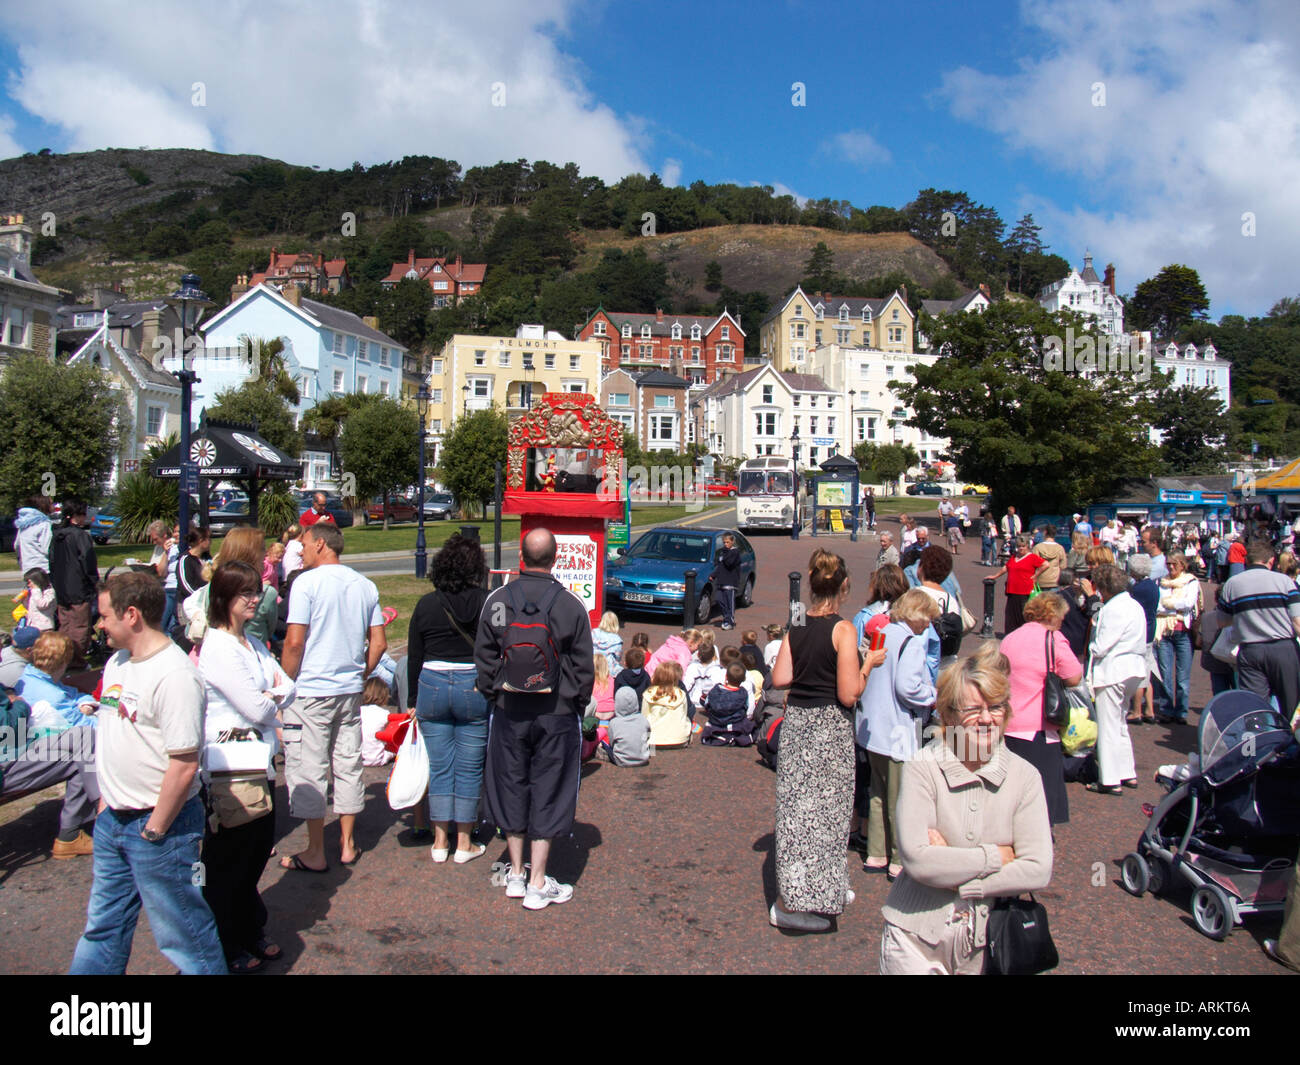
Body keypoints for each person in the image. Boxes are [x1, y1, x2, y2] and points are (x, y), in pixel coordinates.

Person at [69, 571, 226, 974]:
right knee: (102, 928)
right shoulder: (119, 662)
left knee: (185, 935)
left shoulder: (175, 675)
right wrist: (106, 803)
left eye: (105, 615)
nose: (99, 623)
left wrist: (155, 829)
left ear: (132, 615)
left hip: (161, 828)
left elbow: (185, 762)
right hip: (113, 821)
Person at [878, 652, 1053, 974]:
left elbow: (1037, 870)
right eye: (973, 709)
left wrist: (965, 879)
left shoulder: (1025, 777)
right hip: (913, 938)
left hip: (989, 945)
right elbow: (918, 860)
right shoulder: (923, 767)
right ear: (949, 714)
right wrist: (997, 857)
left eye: (996, 706)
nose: (987, 718)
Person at [474, 528, 594, 910]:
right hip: (556, 713)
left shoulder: (499, 600)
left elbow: (485, 655)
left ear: (521, 555)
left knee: (510, 782)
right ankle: (538, 881)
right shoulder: (570, 604)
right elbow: (582, 665)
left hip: (510, 710)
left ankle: (514, 872)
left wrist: (497, 692)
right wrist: (575, 701)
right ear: (555, 557)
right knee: (551, 788)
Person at [768, 549, 886, 932]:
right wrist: (868, 664)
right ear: (844, 586)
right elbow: (849, 693)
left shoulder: (798, 619)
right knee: (828, 814)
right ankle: (800, 900)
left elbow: (781, 677)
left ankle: (819, 886)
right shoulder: (844, 629)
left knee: (797, 812)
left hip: (798, 722)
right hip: (828, 727)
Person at [198, 560, 295, 973]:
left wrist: (272, 695)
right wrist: (271, 697)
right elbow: (257, 706)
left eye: (257, 592)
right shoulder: (218, 647)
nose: (256, 599)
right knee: (228, 860)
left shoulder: (251, 644)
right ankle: (224, 940)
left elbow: (288, 685)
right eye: (246, 594)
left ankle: (247, 926)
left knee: (255, 852)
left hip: (259, 761)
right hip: (229, 766)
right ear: (223, 599)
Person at [279, 522, 386, 873]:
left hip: (311, 688)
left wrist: (284, 680)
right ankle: (347, 841)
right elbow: (380, 643)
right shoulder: (364, 585)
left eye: (305, 543)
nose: (302, 549)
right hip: (348, 688)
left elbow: (295, 641)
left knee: (309, 767)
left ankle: (314, 848)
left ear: (321, 544)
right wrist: (361, 672)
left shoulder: (305, 584)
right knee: (347, 763)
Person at [407, 533, 491, 865]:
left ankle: (439, 840)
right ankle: (464, 841)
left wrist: (413, 697)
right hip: (473, 683)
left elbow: (415, 654)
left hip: (432, 683)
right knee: (470, 769)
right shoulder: (488, 602)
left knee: (440, 766)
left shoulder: (427, 604)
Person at [857, 589, 941, 880]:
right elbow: (908, 688)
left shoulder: (883, 633)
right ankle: (898, 857)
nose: (928, 625)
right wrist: (931, 694)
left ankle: (876, 853)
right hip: (898, 728)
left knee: (878, 793)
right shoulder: (911, 642)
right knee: (901, 798)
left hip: (873, 725)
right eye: (927, 618)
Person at [999, 593, 1083, 825]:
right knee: (1041, 790)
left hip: (1009, 722)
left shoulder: (1011, 638)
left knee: (1012, 787)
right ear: (1053, 615)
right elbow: (1074, 676)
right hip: (1038, 724)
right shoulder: (1053, 639)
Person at [0, 683, 98, 858]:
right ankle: (78, 830)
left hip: (18, 747)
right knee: (81, 755)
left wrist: (10, 697)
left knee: (85, 738)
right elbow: (7, 727)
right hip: (7, 761)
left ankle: (93, 818)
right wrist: (20, 704)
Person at [1085, 564, 1148, 794]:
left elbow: (1101, 646)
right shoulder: (1134, 605)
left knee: (1108, 724)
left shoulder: (1113, 609)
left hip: (1114, 669)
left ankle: (1110, 779)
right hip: (1134, 668)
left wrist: (1092, 644)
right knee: (1120, 721)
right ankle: (1126, 771)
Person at [1220, 540, 1300, 716]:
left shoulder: (1232, 584)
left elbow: (1223, 621)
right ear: (1271, 560)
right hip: (1283, 648)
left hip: (1251, 650)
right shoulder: (1285, 582)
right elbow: (1297, 621)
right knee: (1292, 706)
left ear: (1247, 561)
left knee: (1255, 708)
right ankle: (1291, 740)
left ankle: (1261, 741)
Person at [16, 631, 98, 733]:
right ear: (65, 660)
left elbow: (72, 693)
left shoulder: (28, 675)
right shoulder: (55, 697)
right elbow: (91, 728)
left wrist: (85, 704)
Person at [49, 500, 99, 667]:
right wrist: (94, 581)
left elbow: (51, 561)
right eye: (83, 514)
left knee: (65, 625)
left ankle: (61, 656)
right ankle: (76, 660)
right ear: (75, 517)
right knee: (79, 626)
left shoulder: (57, 536)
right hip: (78, 588)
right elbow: (88, 561)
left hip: (61, 587)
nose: (85, 517)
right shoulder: (80, 536)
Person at [1153, 551, 1200, 725]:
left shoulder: (1191, 581)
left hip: (1183, 632)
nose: (1171, 567)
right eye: (1169, 564)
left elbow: (1188, 603)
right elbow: (1158, 606)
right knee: (1165, 673)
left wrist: (1168, 604)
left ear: (1182, 565)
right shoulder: (1161, 582)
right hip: (1164, 632)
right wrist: (1172, 607)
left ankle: (1181, 711)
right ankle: (1166, 709)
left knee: (1182, 676)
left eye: (1174, 564)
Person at [990, 535, 1043, 635]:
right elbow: (1006, 567)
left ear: (1028, 546)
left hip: (1025, 591)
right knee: (1011, 616)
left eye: (1023, 546)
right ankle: (1010, 635)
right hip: (1012, 590)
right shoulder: (1014, 556)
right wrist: (995, 576)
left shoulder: (1032, 557)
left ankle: (1023, 635)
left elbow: (1045, 565)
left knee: (1022, 615)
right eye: (1019, 546)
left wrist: (1036, 575)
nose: (1021, 548)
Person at [700, 661, 756, 746]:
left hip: (716, 721)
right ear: (743, 679)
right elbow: (747, 708)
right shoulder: (743, 693)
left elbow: (707, 704)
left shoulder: (716, 689)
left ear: (726, 677)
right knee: (750, 726)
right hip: (736, 723)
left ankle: (720, 735)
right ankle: (733, 736)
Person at [642, 661, 690, 748]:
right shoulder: (681, 694)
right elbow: (685, 714)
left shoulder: (649, 693)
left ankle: (649, 752)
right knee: (686, 720)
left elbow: (644, 717)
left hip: (654, 741)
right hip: (679, 740)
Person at [1198, 587, 1236, 697]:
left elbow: (1199, 642)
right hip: (1233, 662)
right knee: (1237, 693)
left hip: (1214, 662)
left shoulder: (1206, 617)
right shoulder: (1237, 616)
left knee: (1219, 694)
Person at [607, 686, 651, 767]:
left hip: (621, 760)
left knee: (603, 746)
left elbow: (611, 742)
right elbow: (648, 736)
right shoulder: (643, 719)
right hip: (643, 758)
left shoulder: (614, 723)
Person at [14, 495, 53, 574]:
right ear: (44, 505)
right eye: (51, 504)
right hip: (43, 568)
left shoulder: (23, 525)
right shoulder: (44, 524)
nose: (53, 506)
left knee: (32, 586)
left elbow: (17, 545)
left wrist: (21, 561)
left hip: (27, 568)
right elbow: (46, 548)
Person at [710, 534, 742, 631]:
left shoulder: (735, 552)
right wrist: (713, 575)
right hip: (721, 581)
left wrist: (725, 554)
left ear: (732, 542)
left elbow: (729, 563)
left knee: (729, 603)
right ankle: (726, 617)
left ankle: (730, 621)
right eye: (724, 542)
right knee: (719, 599)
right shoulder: (723, 552)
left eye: (728, 542)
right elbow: (720, 566)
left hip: (730, 582)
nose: (725, 544)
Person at [1032, 526, 1068, 592]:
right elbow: (1063, 566)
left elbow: (1033, 565)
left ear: (1045, 532)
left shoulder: (1037, 548)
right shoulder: (1060, 548)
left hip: (1040, 581)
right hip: (1055, 581)